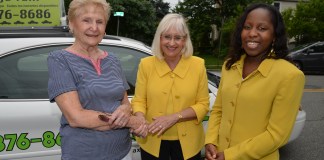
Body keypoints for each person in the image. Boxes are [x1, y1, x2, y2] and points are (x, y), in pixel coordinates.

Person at [204, 3, 305, 160]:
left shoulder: (290, 75)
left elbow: (277, 135)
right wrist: (210, 141)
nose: (252, 33)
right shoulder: (230, 65)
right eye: (247, 27)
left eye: (262, 28)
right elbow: (218, 110)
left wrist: (229, 156)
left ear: (275, 36)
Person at [47, 0, 145, 159]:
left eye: (100, 21)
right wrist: (132, 122)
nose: (94, 27)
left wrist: (126, 110)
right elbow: (76, 117)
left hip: (122, 151)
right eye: (86, 20)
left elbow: (124, 102)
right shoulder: (59, 59)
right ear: (72, 24)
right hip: (85, 153)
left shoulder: (113, 60)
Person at [131, 13, 210, 160]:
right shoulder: (146, 65)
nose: (172, 43)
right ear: (159, 38)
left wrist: (175, 117)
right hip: (152, 141)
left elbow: (203, 104)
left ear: (184, 40)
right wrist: (140, 118)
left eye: (177, 38)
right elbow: (139, 101)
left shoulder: (198, 65)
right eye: (167, 37)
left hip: (189, 145)